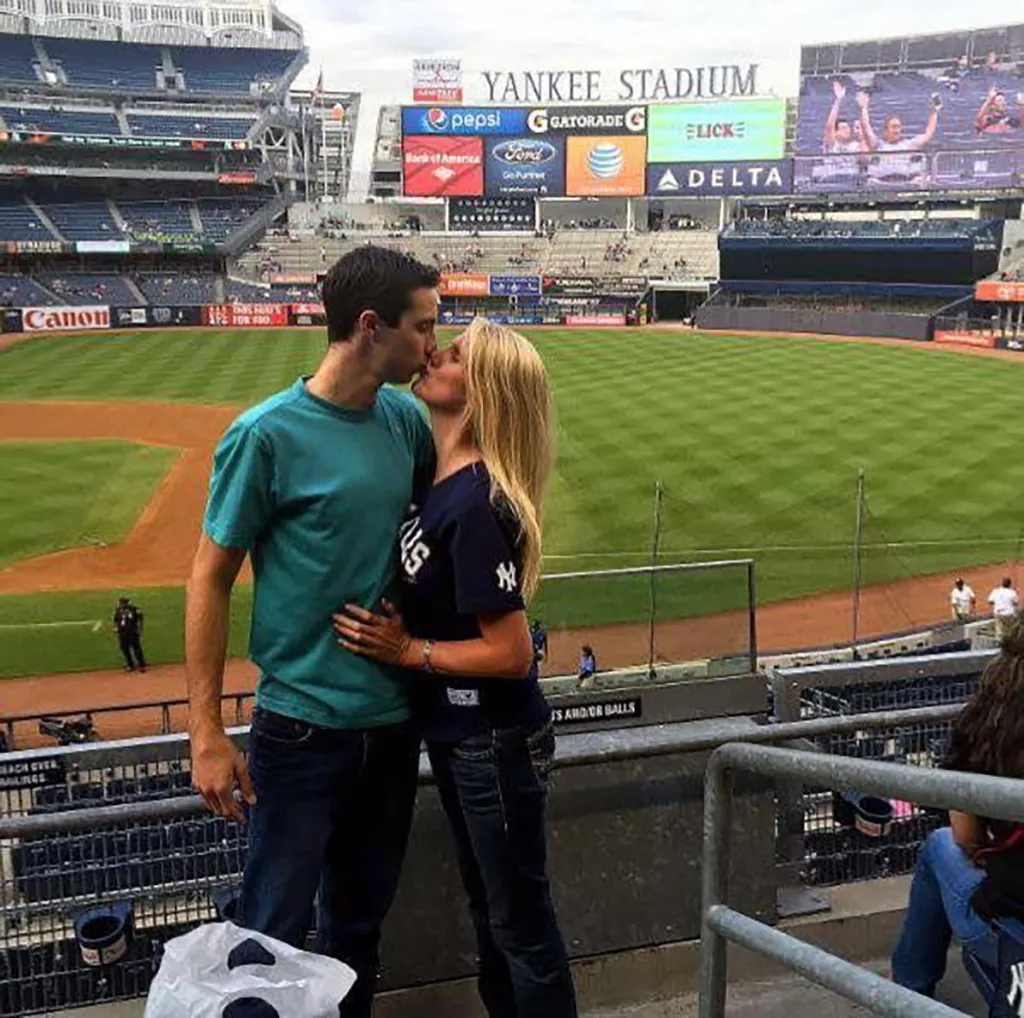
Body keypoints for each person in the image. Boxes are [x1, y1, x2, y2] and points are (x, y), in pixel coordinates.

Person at [185, 245, 439, 1018]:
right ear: (370, 327)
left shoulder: (405, 421)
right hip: (300, 731)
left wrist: (416, 629)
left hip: (392, 726)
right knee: (271, 932)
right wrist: (205, 731)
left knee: (359, 930)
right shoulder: (265, 435)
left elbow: (422, 545)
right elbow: (208, 576)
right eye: (423, 326)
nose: (435, 342)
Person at [332, 318, 577, 1018]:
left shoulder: (474, 502)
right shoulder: (438, 480)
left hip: (492, 741)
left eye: (456, 355)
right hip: (462, 736)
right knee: (494, 914)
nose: (435, 354)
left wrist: (410, 652)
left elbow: (510, 652)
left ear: (483, 390)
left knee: (518, 924)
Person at [891, 619, 1024, 998]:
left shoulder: (983, 723)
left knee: (939, 844)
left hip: (1012, 932)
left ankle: (909, 992)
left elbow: (966, 839)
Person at [857, 89, 939, 186]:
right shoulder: (878, 145)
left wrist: (934, 112)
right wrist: (864, 108)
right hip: (882, 183)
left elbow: (929, 133)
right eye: (893, 127)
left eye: (898, 127)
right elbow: (866, 128)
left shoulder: (909, 145)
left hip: (905, 182)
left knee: (922, 180)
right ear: (885, 130)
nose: (896, 130)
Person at [113, 597, 146, 673]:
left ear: (124, 604)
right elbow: (116, 620)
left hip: (132, 632)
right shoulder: (118, 611)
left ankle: (141, 665)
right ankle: (130, 665)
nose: (118, 604)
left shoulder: (134, 609)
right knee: (125, 649)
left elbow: (140, 618)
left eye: (120, 603)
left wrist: (140, 629)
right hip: (122, 633)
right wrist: (116, 628)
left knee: (136, 649)